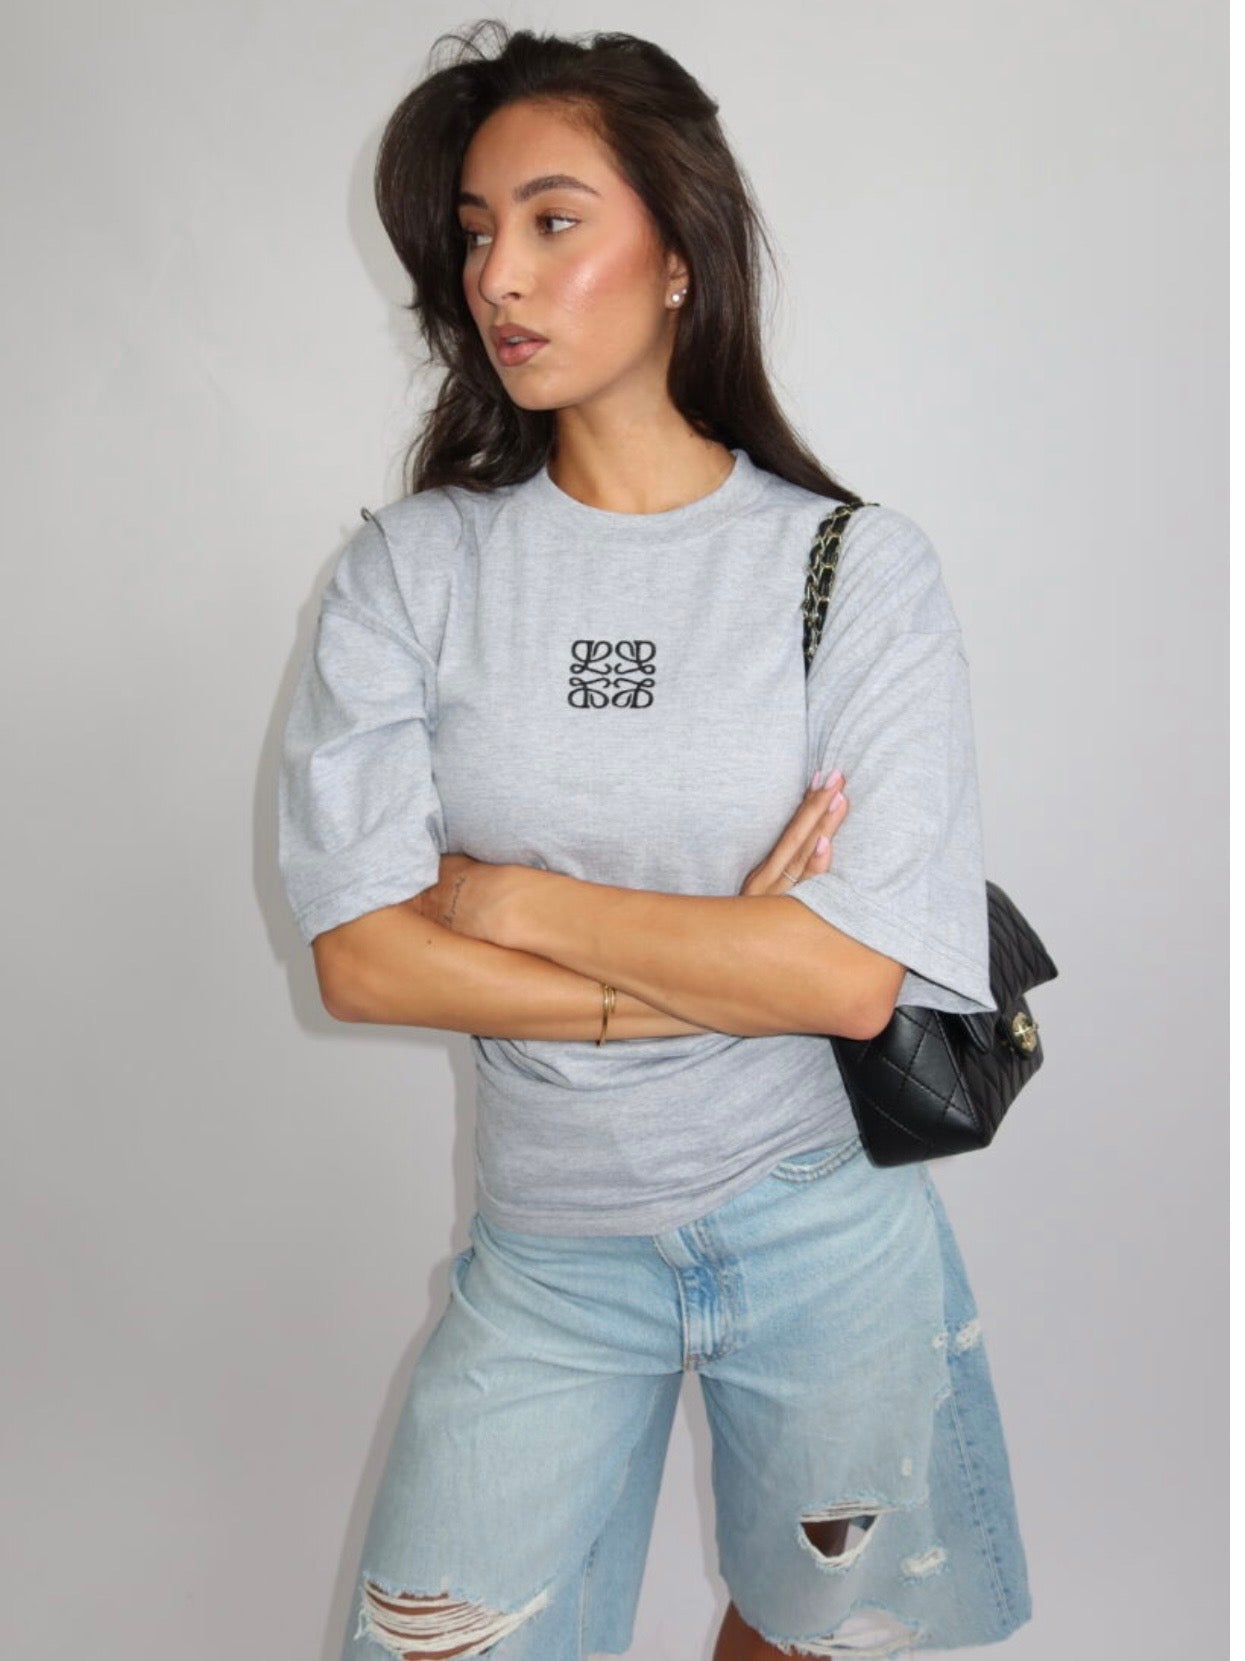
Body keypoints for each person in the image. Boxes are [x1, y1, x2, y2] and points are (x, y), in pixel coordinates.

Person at [276, 20, 1033, 1661]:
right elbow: (362, 957)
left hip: (824, 1226)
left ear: (679, 253)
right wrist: (718, 964)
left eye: (554, 220)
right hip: (547, 1253)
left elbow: (847, 979)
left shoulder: (851, 568)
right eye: (476, 232)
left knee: (822, 1636)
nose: (499, 275)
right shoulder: (416, 570)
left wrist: (504, 898)